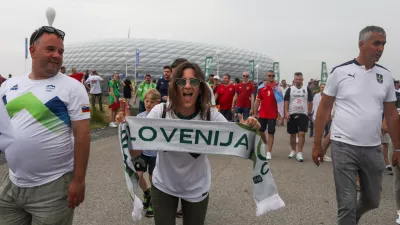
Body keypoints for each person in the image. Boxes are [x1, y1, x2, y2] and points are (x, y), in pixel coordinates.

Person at [117, 62, 260, 225]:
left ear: (200, 87)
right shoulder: (161, 112)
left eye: (193, 81)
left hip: (197, 187)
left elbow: (239, 140)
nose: (187, 86)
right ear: (174, 86)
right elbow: (136, 153)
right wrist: (128, 130)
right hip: (163, 184)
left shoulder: (210, 115)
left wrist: (250, 128)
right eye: (181, 81)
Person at [0, 26, 90, 225]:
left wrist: (78, 180)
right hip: (12, 185)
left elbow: (82, 135)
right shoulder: (8, 86)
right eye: (50, 49)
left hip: (53, 187)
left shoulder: (72, 88)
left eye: (61, 51)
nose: (57, 55)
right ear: (32, 51)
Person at [312, 26, 400, 225]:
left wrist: (398, 148)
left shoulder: (385, 76)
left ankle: (353, 217)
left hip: (373, 148)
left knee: (372, 200)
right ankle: (349, 217)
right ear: (361, 44)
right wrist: (318, 144)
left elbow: (392, 114)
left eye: (383, 44)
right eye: (376, 43)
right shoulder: (340, 72)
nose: (381, 48)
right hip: (343, 146)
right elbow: (323, 110)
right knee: (346, 203)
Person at [129, 88, 161, 217]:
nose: (148, 104)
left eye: (152, 102)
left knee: (153, 178)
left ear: (158, 103)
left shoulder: (161, 118)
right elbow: (131, 128)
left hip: (155, 154)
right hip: (142, 153)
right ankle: (147, 193)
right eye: (147, 101)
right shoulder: (140, 116)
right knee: (138, 176)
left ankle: (154, 201)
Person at [254, 70, 283, 160]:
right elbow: (258, 100)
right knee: (261, 131)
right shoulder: (261, 87)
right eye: (269, 76)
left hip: (272, 114)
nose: (271, 77)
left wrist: (280, 115)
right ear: (266, 77)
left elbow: (280, 102)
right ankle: (264, 141)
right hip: (262, 113)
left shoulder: (277, 88)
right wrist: (255, 111)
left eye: (273, 76)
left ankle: (269, 151)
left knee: (271, 132)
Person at [284, 72, 313, 162]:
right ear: (294, 80)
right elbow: (286, 101)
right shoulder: (290, 89)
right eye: (296, 79)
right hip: (292, 113)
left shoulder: (306, 89)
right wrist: (286, 112)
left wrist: (309, 112)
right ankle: (293, 150)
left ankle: (299, 152)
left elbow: (310, 101)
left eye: (299, 79)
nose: (298, 81)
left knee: (302, 133)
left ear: (302, 79)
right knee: (293, 133)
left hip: (303, 113)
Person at [312, 84, 332, 162]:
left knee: (329, 134)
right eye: (321, 87)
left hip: (328, 116)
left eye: (324, 87)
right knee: (328, 135)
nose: (322, 89)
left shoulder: (329, 95)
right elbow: (315, 105)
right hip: (318, 116)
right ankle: (321, 153)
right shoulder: (316, 96)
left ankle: (321, 153)